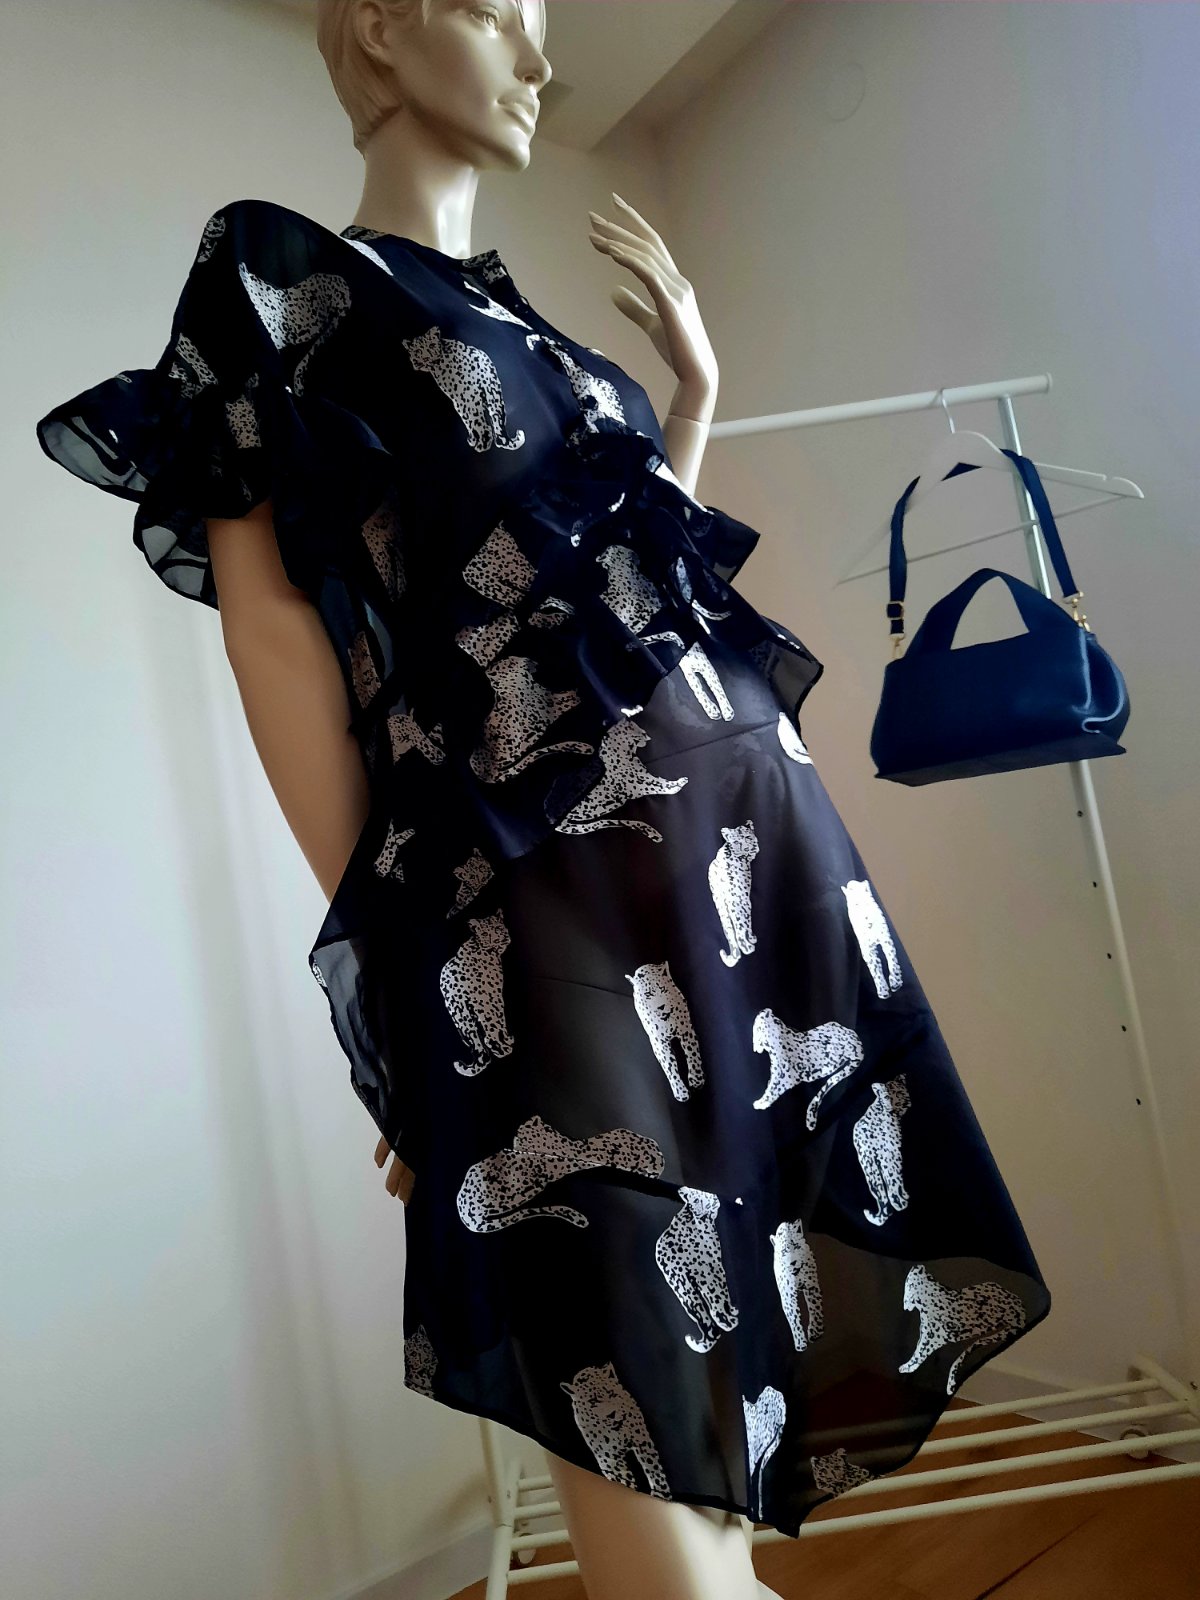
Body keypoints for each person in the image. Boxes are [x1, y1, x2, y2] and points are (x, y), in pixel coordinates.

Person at [34, 2, 1051, 1593]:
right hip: (543, 904)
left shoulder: (541, 341)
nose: (538, 59)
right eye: (497, 14)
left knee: (730, 1346)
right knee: (622, 1340)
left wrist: (690, 401)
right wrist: (399, 955)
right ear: (382, 29)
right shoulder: (290, 289)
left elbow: (622, 600)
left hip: (745, 885)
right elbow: (275, 632)